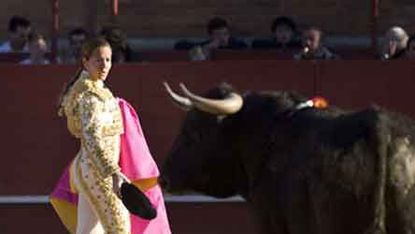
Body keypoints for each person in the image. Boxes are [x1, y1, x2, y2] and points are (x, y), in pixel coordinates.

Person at [50, 37, 171, 234]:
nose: (105, 65)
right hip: (100, 174)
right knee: (119, 229)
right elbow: (92, 140)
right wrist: (114, 173)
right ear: (85, 61)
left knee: (88, 231)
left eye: (108, 60)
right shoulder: (90, 96)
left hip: (89, 170)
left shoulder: (93, 90)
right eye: (99, 60)